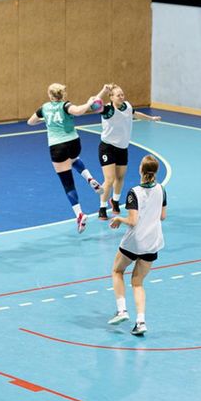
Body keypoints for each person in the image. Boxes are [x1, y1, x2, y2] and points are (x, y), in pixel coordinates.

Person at [28, 82, 112, 232]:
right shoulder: (66, 106)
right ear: (63, 95)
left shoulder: (44, 108)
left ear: (50, 95)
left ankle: (79, 214)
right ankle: (90, 179)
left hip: (57, 146)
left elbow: (31, 122)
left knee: (68, 183)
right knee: (73, 160)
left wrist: (46, 119)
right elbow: (80, 110)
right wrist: (93, 99)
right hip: (74, 142)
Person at [106, 155, 167, 337]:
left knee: (117, 271)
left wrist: (118, 218)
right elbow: (162, 216)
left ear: (141, 170)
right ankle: (140, 322)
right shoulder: (161, 190)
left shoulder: (134, 192)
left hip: (134, 242)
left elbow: (132, 221)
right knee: (138, 283)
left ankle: (122, 310)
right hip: (152, 242)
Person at [95, 85, 161, 220]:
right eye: (118, 95)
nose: (121, 97)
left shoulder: (127, 106)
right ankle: (102, 207)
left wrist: (151, 118)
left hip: (122, 148)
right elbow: (94, 105)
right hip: (107, 147)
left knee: (120, 178)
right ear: (112, 97)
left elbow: (135, 114)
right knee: (109, 179)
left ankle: (115, 201)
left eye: (122, 94)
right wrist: (103, 91)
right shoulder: (108, 110)